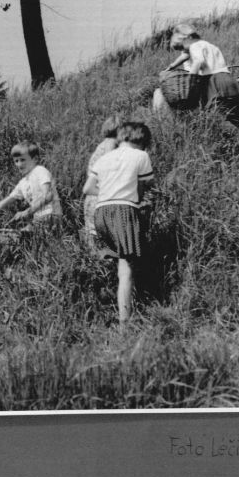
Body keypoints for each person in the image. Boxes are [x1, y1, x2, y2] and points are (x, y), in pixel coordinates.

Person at [82, 121, 155, 325]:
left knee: (118, 257)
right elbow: (147, 185)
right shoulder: (140, 155)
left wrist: (108, 191)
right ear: (143, 140)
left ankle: (106, 295)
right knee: (126, 269)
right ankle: (125, 322)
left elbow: (87, 188)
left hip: (101, 214)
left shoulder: (104, 158)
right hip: (123, 212)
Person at [163, 23, 239, 128]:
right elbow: (185, 56)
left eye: (182, 46)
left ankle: (235, 134)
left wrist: (191, 77)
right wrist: (172, 66)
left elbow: (198, 60)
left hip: (214, 82)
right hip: (228, 80)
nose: (183, 50)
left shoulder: (194, 46)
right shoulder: (207, 45)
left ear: (188, 38)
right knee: (235, 112)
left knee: (217, 115)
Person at [0, 140, 62, 233]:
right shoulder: (23, 182)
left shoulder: (40, 171)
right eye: (16, 161)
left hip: (51, 215)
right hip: (38, 219)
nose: (19, 164)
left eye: (22, 160)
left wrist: (27, 212)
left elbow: (48, 195)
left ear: (35, 159)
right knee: (17, 234)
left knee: (22, 235)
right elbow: (3, 202)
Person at [82, 117, 121, 248]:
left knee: (92, 237)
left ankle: (91, 259)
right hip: (101, 197)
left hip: (92, 196)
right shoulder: (112, 143)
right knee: (107, 239)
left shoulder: (102, 145)